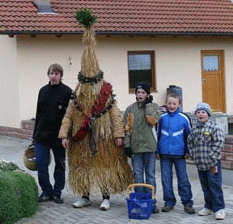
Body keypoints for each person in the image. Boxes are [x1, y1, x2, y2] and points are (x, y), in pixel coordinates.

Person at [58, 9, 133, 211]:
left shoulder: (106, 94)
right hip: (81, 139)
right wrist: (64, 134)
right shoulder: (76, 97)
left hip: (104, 139)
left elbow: (116, 116)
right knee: (83, 167)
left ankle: (106, 196)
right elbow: (67, 116)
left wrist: (119, 135)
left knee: (104, 166)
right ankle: (85, 196)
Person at [33, 63, 72, 204]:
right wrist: (34, 136)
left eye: (56, 74)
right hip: (42, 136)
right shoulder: (42, 91)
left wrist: (67, 136)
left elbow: (70, 117)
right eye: (51, 73)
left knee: (60, 165)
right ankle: (46, 190)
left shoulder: (67, 92)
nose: (53, 76)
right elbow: (38, 114)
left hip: (59, 137)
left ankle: (57, 192)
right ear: (48, 75)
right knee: (41, 165)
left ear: (61, 75)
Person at [124, 82, 161, 213]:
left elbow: (152, 121)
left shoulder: (154, 107)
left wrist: (148, 105)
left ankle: (151, 201)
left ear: (147, 94)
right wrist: (127, 146)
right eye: (138, 92)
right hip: (136, 148)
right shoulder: (130, 109)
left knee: (150, 176)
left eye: (143, 93)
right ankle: (139, 201)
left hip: (150, 147)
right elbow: (127, 129)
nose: (140, 95)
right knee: (138, 176)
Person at [157, 93, 195, 214]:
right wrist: (157, 151)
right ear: (166, 104)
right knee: (166, 179)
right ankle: (169, 202)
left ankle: (187, 203)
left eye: (174, 103)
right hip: (165, 154)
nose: (172, 106)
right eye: (169, 103)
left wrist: (188, 151)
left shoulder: (184, 118)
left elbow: (189, 137)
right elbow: (157, 135)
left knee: (183, 179)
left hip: (180, 154)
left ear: (179, 104)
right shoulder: (161, 118)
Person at [188, 102, 225, 220]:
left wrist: (212, 157)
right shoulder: (194, 129)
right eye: (198, 112)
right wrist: (193, 155)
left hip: (212, 164)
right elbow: (190, 142)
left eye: (203, 112)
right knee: (205, 186)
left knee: (214, 186)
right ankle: (208, 207)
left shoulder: (214, 127)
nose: (200, 114)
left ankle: (219, 209)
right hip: (200, 164)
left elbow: (219, 143)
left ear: (208, 114)